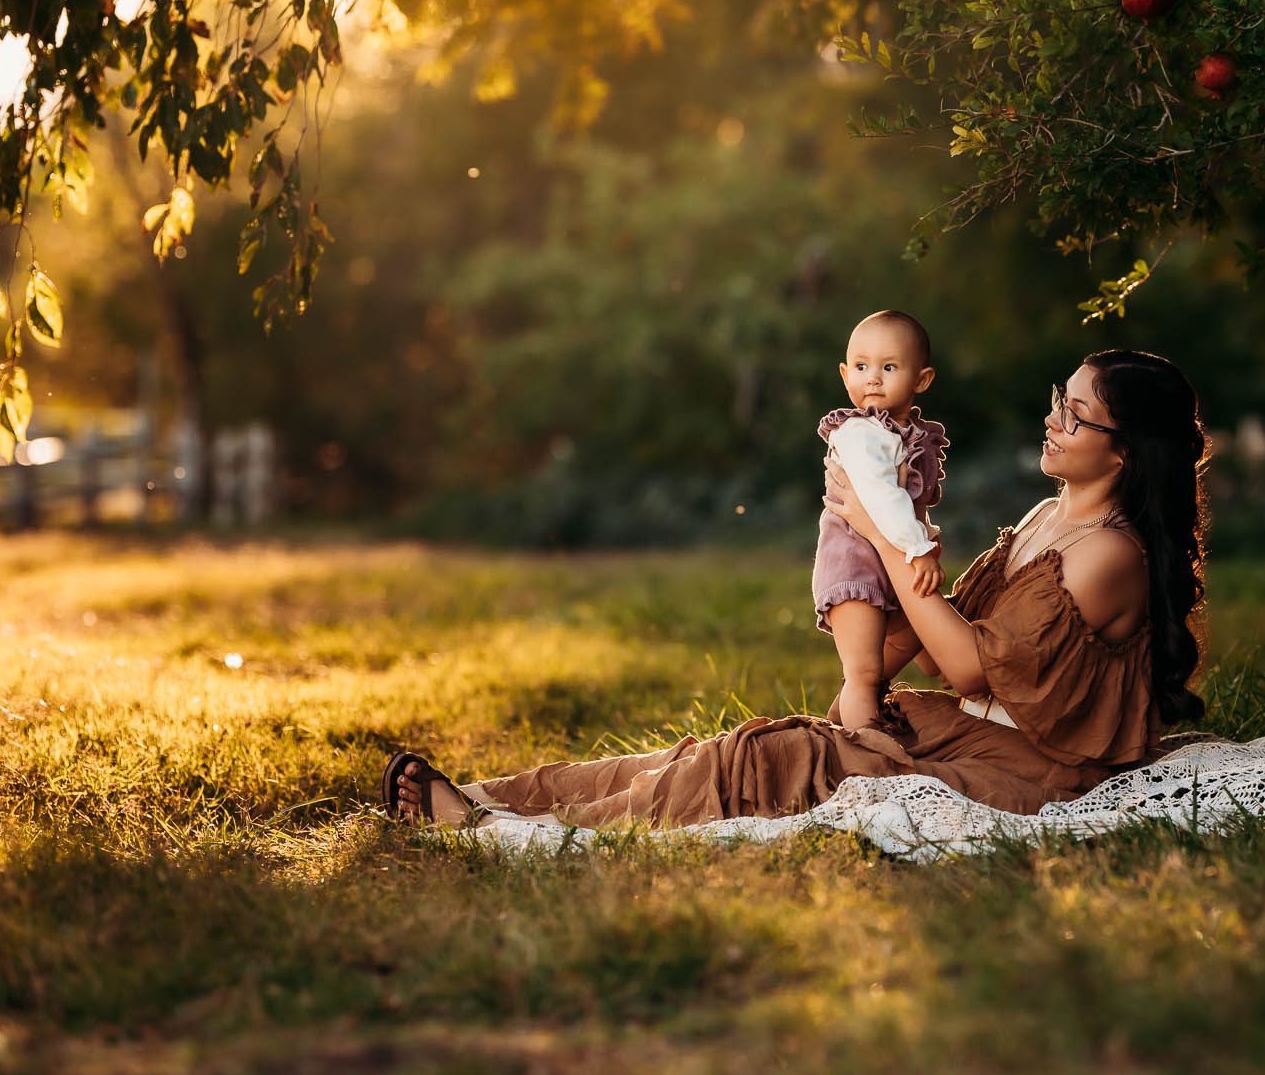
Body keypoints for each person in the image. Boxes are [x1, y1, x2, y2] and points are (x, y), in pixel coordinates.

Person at [384, 350, 1209, 831]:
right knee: (725, 748)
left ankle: (505, 830)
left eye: (1077, 414)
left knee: (777, 759)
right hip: (964, 735)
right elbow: (938, 624)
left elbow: (968, 666)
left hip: (1029, 773)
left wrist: (884, 531)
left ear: (1127, 450)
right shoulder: (1044, 516)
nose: (1054, 420)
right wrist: (861, 645)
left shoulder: (1111, 554)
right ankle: (498, 799)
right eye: (1057, 401)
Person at [811, 309, 949, 732]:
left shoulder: (901, 435)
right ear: (844, 374)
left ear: (921, 380)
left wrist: (925, 535)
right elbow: (881, 498)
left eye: (888, 367)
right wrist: (919, 547)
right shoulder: (860, 433)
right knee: (864, 673)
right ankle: (866, 754)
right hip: (854, 566)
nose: (872, 377)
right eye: (861, 366)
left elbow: (909, 506)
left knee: (913, 644)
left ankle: (943, 676)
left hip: (885, 564)